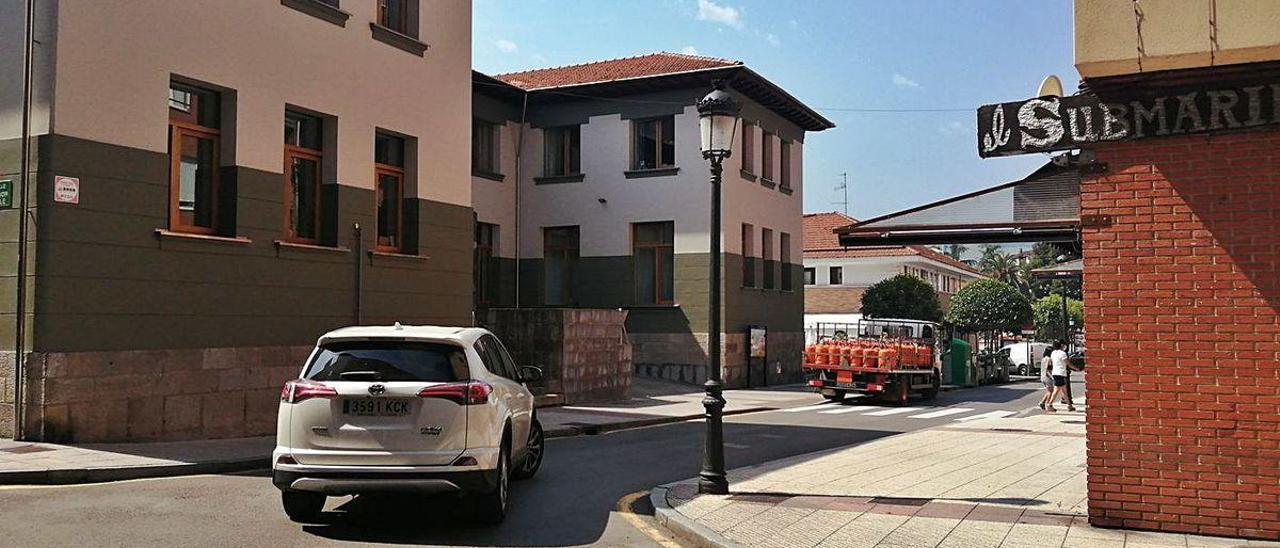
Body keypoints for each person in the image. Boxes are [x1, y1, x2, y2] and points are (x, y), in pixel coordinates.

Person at [1046, 341, 1069, 412]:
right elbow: (1067, 362)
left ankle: (1069, 405)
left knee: (1064, 391)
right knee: (1056, 390)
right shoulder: (1063, 353)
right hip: (1060, 373)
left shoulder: (1053, 353)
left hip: (1055, 372)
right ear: (1061, 345)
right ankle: (1049, 404)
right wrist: (1076, 368)